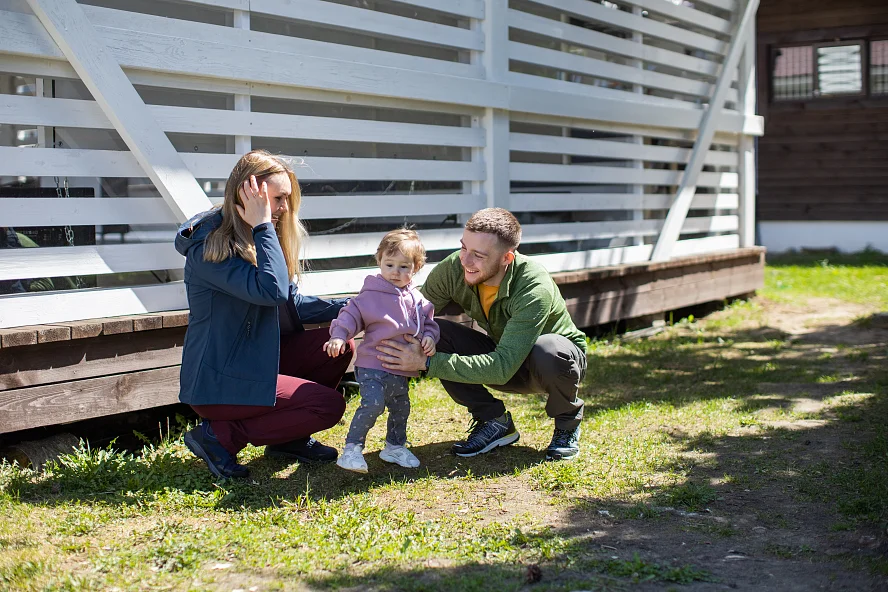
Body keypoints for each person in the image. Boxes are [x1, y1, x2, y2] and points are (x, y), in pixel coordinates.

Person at [174, 150, 354, 479]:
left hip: (255, 359)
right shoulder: (210, 249)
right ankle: (219, 437)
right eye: (278, 198)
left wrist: (355, 307)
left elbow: (290, 300)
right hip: (220, 381)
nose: (284, 208)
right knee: (327, 406)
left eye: (287, 198)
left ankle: (289, 439)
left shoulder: (260, 237)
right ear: (250, 194)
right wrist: (262, 226)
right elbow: (270, 291)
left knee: (338, 345)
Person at [376, 208, 588, 461]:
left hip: (551, 365)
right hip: (502, 353)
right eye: (464, 247)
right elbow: (413, 315)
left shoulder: (534, 287)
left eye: (478, 255)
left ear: (506, 258)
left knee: (549, 348)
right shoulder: (455, 267)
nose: (465, 260)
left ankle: (566, 425)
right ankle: (494, 422)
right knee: (436, 333)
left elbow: (502, 368)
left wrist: (427, 363)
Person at [324, 228, 440, 473]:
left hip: (400, 368)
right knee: (374, 404)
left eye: (403, 267)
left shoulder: (417, 298)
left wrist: (429, 337)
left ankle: (394, 447)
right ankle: (352, 449)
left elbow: (428, 323)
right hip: (372, 364)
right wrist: (338, 336)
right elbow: (350, 315)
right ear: (379, 262)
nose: (395, 272)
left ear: (416, 268)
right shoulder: (370, 295)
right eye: (389, 264)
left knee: (401, 406)